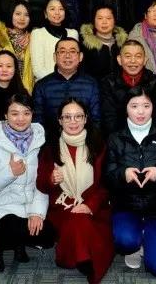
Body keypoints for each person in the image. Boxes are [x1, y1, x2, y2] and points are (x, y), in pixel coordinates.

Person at [0, 93, 55, 273]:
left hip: (28, 205)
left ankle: (18, 242)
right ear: (5, 115)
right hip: (0, 206)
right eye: (14, 113)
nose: (21, 119)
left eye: (26, 113)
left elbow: (42, 183)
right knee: (13, 226)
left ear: (32, 114)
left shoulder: (41, 142)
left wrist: (37, 212)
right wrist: (9, 173)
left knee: (48, 235)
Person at [36, 99, 113, 283]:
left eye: (78, 116)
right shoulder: (50, 148)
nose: (73, 121)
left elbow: (106, 184)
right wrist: (51, 179)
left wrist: (89, 205)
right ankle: (86, 259)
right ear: (60, 120)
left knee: (81, 220)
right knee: (78, 220)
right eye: (67, 117)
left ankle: (74, 257)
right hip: (62, 206)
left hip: (95, 205)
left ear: (85, 119)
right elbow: (41, 184)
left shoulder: (99, 145)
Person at [105, 86, 156, 277]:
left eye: (146, 105)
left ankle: (148, 239)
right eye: (134, 106)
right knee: (126, 241)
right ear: (126, 108)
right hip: (126, 207)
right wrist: (123, 174)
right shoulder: (115, 138)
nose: (140, 111)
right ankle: (135, 244)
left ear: (153, 107)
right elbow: (107, 177)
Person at [32, 37, 101, 137]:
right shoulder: (41, 86)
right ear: (55, 57)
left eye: (72, 51)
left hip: (84, 141)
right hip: (51, 142)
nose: (67, 56)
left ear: (80, 56)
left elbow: (96, 120)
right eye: (62, 51)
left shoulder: (91, 84)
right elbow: (37, 123)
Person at [100, 40, 156, 136]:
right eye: (128, 56)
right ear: (119, 60)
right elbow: (109, 118)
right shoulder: (108, 83)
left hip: (150, 136)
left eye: (138, 56)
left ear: (145, 60)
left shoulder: (155, 82)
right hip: (119, 137)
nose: (133, 61)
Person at [0, 0, 34, 92]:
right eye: (18, 14)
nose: (22, 18)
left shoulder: (33, 40)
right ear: (10, 15)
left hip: (25, 95)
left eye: (26, 15)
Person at [30, 0, 79, 81]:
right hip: (46, 84)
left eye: (61, 9)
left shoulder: (73, 33)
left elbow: (76, 64)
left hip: (71, 83)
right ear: (45, 13)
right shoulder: (37, 33)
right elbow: (38, 70)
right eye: (52, 9)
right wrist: (60, 81)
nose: (57, 12)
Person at [80, 5, 128, 81]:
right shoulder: (85, 46)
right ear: (93, 21)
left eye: (108, 18)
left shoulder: (124, 44)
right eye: (100, 18)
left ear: (114, 20)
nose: (104, 22)